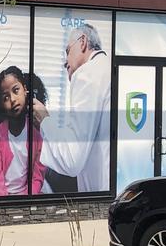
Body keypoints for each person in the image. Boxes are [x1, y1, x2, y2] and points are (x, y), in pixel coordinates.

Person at [33, 22, 111, 192]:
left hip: (100, 194)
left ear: (82, 42)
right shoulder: (110, 69)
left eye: (68, 51)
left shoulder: (87, 74)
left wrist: (45, 120)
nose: (65, 62)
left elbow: (71, 160)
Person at [0, 66, 47, 196]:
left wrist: (24, 200)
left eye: (16, 90)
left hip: (26, 198)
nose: (12, 99)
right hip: (0, 199)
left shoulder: (37, 134)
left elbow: (37, 177)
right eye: (6, 97)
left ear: (25, 90)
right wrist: (8, 203)